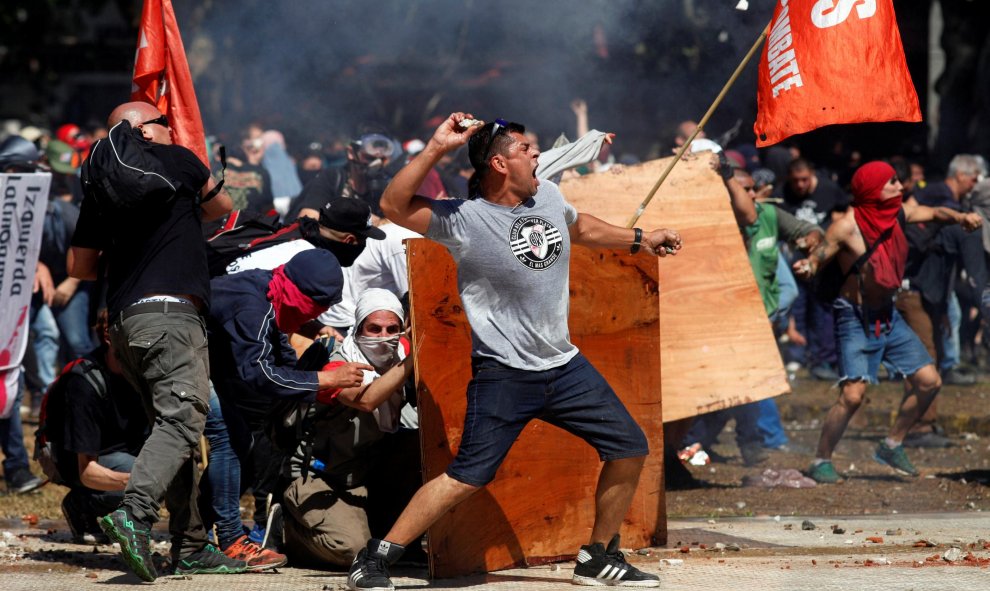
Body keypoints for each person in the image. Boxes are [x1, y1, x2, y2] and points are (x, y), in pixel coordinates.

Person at [346, 113, 682, 590]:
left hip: (564, 366)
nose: (537, 154)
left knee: (629, 447)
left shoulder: (546, 194)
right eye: (526, 149)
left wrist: (640, 239)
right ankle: (375, 558)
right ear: (500, 164)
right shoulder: (464, 220)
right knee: (466, 476)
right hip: (504, 373)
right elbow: (393, 203)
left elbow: (579, 227)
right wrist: (438, 146)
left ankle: (597, 557)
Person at [67, 101, 244, 580]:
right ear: (143, 130)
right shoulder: (178, 163)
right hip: (170, 315)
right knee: (184, 421)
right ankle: (136, 514)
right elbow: (223, 208)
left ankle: (188, 546)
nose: (172, 128)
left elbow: (80, 268)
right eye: (164, 122)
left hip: (125, 322)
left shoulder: (101, 189)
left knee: (170, 431)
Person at [793, 161, 982, 484]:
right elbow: (819, 256)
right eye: (891, 182)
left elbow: (935, 212)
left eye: (898, 181)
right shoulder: (847, 226)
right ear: (870, 189)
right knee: (853, 396)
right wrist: (807, 265)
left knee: (929, 382)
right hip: (854, 316)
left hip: (888, 316)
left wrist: (962, 217)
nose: (899, 186)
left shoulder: (898, 213)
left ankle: (891, 444)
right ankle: (820, 459)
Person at [204, 248, 373, 568]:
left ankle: (199, 535)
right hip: (172, 350)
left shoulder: (269, 292)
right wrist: (326, 378)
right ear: (301, 295)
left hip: (193, 359)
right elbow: (260, 374)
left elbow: (282, 362)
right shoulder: (255, 304)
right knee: (231, 438)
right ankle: (228, 540)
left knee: (240, 440)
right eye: (310, 311)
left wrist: (321, 388)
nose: (309, 320)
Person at [282, 288, 418, 567]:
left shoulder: (400, 351)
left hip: (364, 472)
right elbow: (367, 400)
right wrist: (411, 361)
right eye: (374, 329)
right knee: (352, 550)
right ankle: (289, 531)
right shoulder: (339, 365)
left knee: (418, 447)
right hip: (320, 477)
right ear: (359, 328)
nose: (383, 337)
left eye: (392, 329)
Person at [48, 310, 149, 544]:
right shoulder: (83, 383)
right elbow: (86, 470)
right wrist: (146, 480)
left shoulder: (143, 373)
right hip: (80, 463)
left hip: (125, 451)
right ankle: (81, 504)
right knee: (145, 474)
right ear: (108, 337)